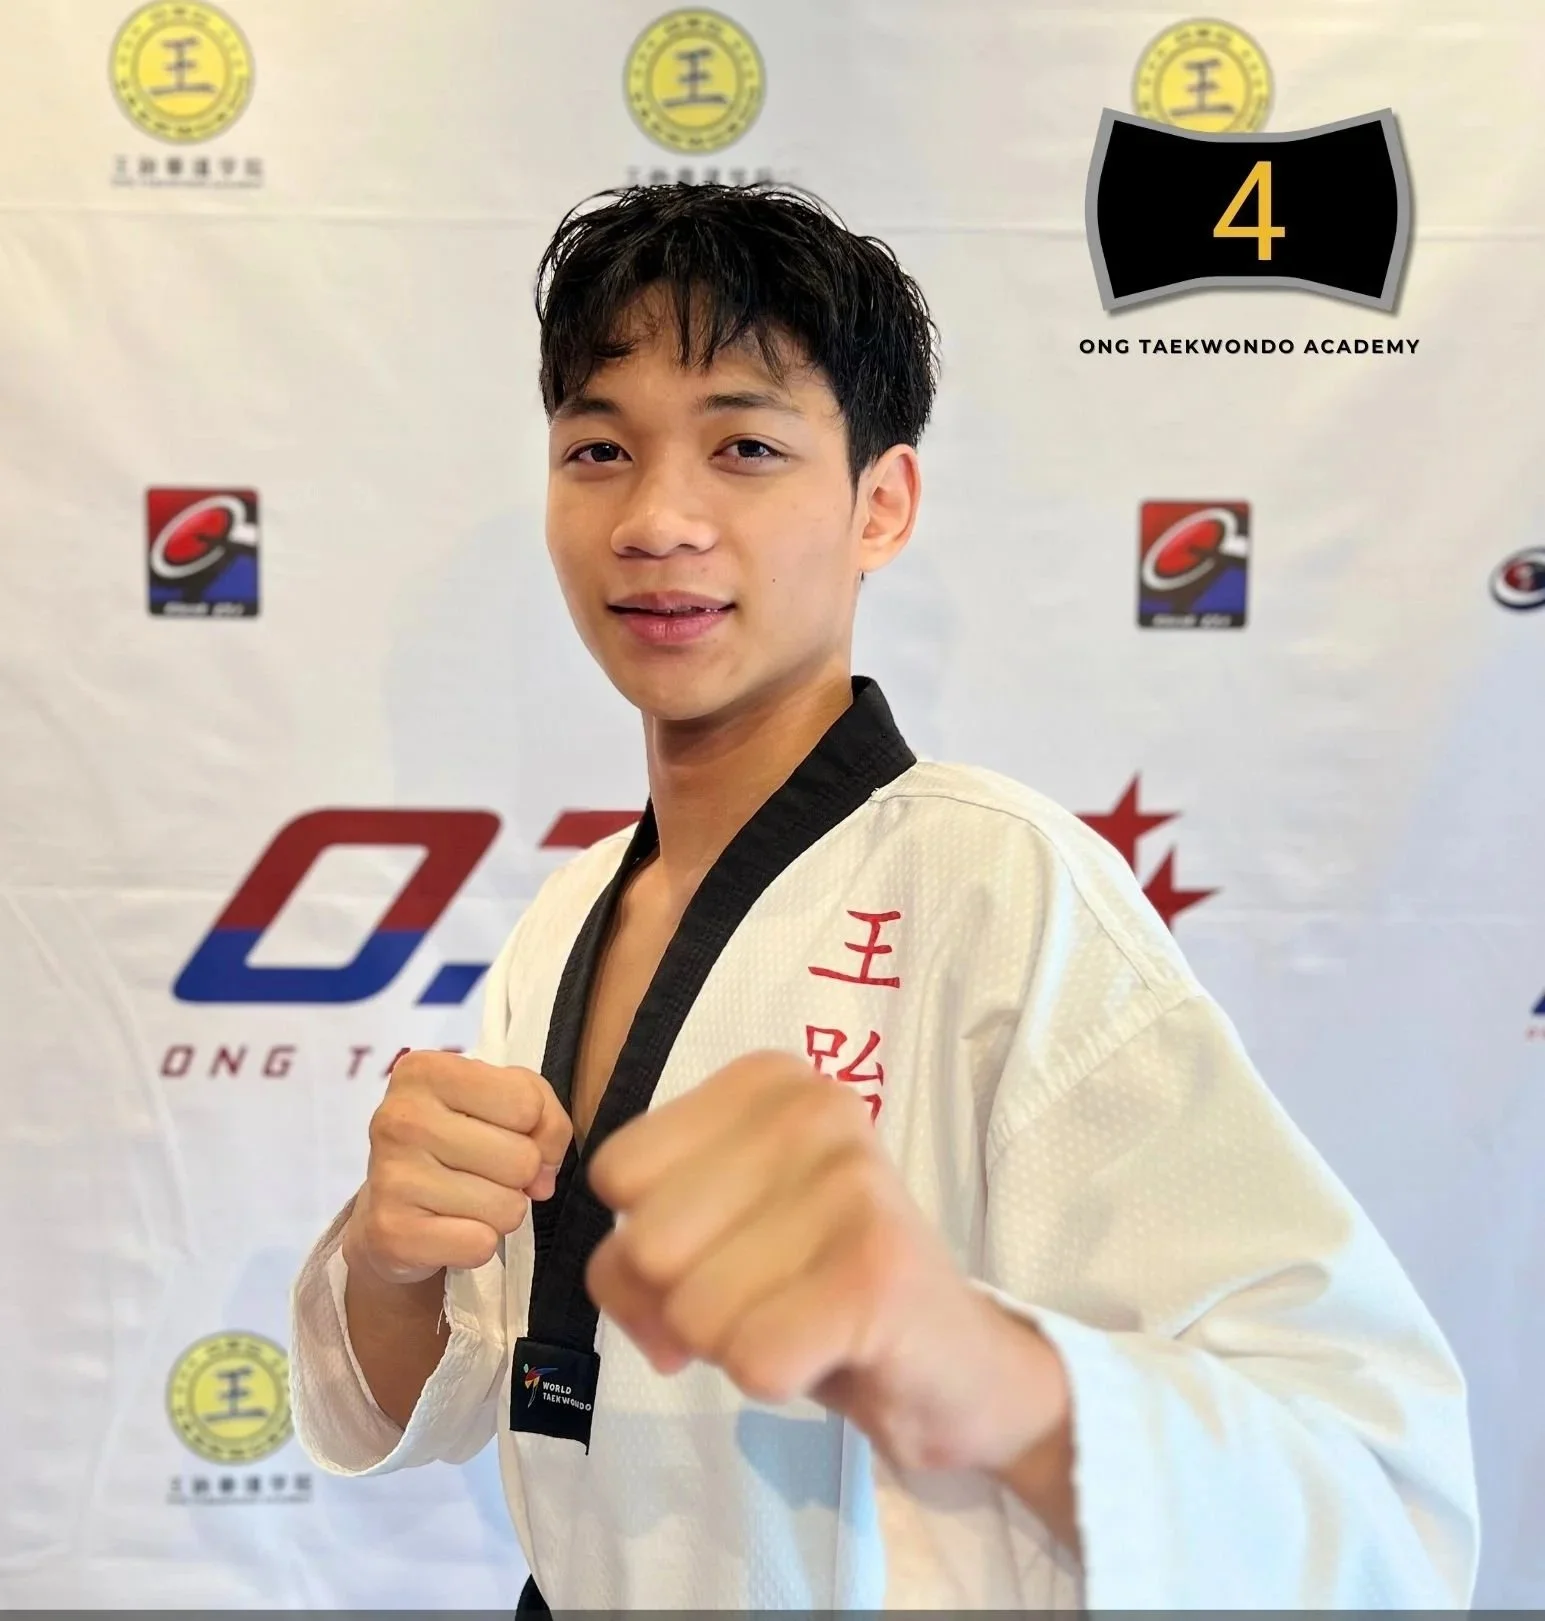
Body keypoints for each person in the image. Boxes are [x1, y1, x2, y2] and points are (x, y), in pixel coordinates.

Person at [290, 181, 1479, 1610]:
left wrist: (957, 1356)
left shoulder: (1002, 888)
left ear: (881, 503)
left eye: (745, 446)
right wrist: (391, 1258)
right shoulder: (564, 920)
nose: (659, 518)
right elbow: (467, 1384)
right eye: (599, 448)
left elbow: (1378, 1498)